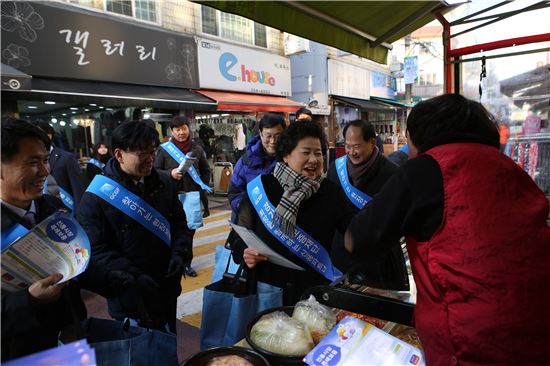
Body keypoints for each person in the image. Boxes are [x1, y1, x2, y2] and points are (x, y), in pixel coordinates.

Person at [344, 94, 550, 365]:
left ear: (418, 138)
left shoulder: (425, 169)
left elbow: (357, 240)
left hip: (470, 344)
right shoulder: (510, 167)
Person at [77, 120, 194, 333]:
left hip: (166, 284)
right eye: (142, 155)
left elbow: (180, 225)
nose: (151, 160)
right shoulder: (96, 196)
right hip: (129, 294)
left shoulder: (164, 184)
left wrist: (180, 253)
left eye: (153, 152)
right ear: (119, 155)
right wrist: (132, 276)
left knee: (168, 342)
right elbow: (95, 249)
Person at [229, 120, 355, 305]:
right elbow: (237, 235)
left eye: (318, 153)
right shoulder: (262, 187)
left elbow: (354, 227)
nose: (313, 160)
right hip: (267, 291)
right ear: (286, 155)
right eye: (306, 152)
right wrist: (244, 253)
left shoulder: (331, 192)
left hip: (313, 296)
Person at [1, 118, 86, 361]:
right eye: (32, 162)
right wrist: (28, 300)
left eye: (45, 160)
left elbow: (77, 260)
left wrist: (118, 280)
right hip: (19, 352)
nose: (46, 171)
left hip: (71, 340)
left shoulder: (53, 207)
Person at [326, 120, 405, 289]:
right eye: (347, 146)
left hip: (378, 261)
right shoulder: (335, 169)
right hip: (342, 256)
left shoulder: (392, 173)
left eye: (357, 146)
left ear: (372, 143)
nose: (351, 152)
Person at [154, 116, 211, 277]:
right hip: (171, 196)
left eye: (184, 128)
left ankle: (186, 264)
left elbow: (205, 170)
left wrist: (202, 187)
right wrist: (169, 173)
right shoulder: (164, 149)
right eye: (177, 129)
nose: (181, 132)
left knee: (188, 232)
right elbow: (155, 171)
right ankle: (171, 261)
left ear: (188, 129)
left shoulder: (197, 149)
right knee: (171, 231)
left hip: (192, 196)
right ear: (172, 131)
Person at [227, 113, 286, 220]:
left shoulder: (291, 159)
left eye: (278, 136)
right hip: (251, 221)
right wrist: (246, 210)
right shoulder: (246, 160)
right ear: (260, 134)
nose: (273, 141)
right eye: (268, 136)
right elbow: (234, 192)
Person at [32, 120, 84, 214]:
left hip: (67, 210)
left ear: (49, 136)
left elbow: (78, 189)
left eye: (38, 134)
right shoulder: (29, 160)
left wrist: (79, 214)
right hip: (43, 213)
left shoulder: (67, 157)